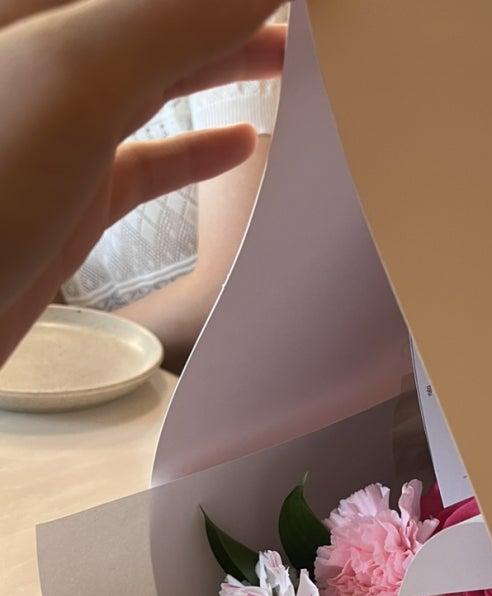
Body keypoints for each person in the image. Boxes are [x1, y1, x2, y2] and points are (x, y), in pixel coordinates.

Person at [0, 0, 287, 369]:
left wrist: (49, 360)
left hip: (207, 391)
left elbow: (229, 285)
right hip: (85, 389)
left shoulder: (231, 19)